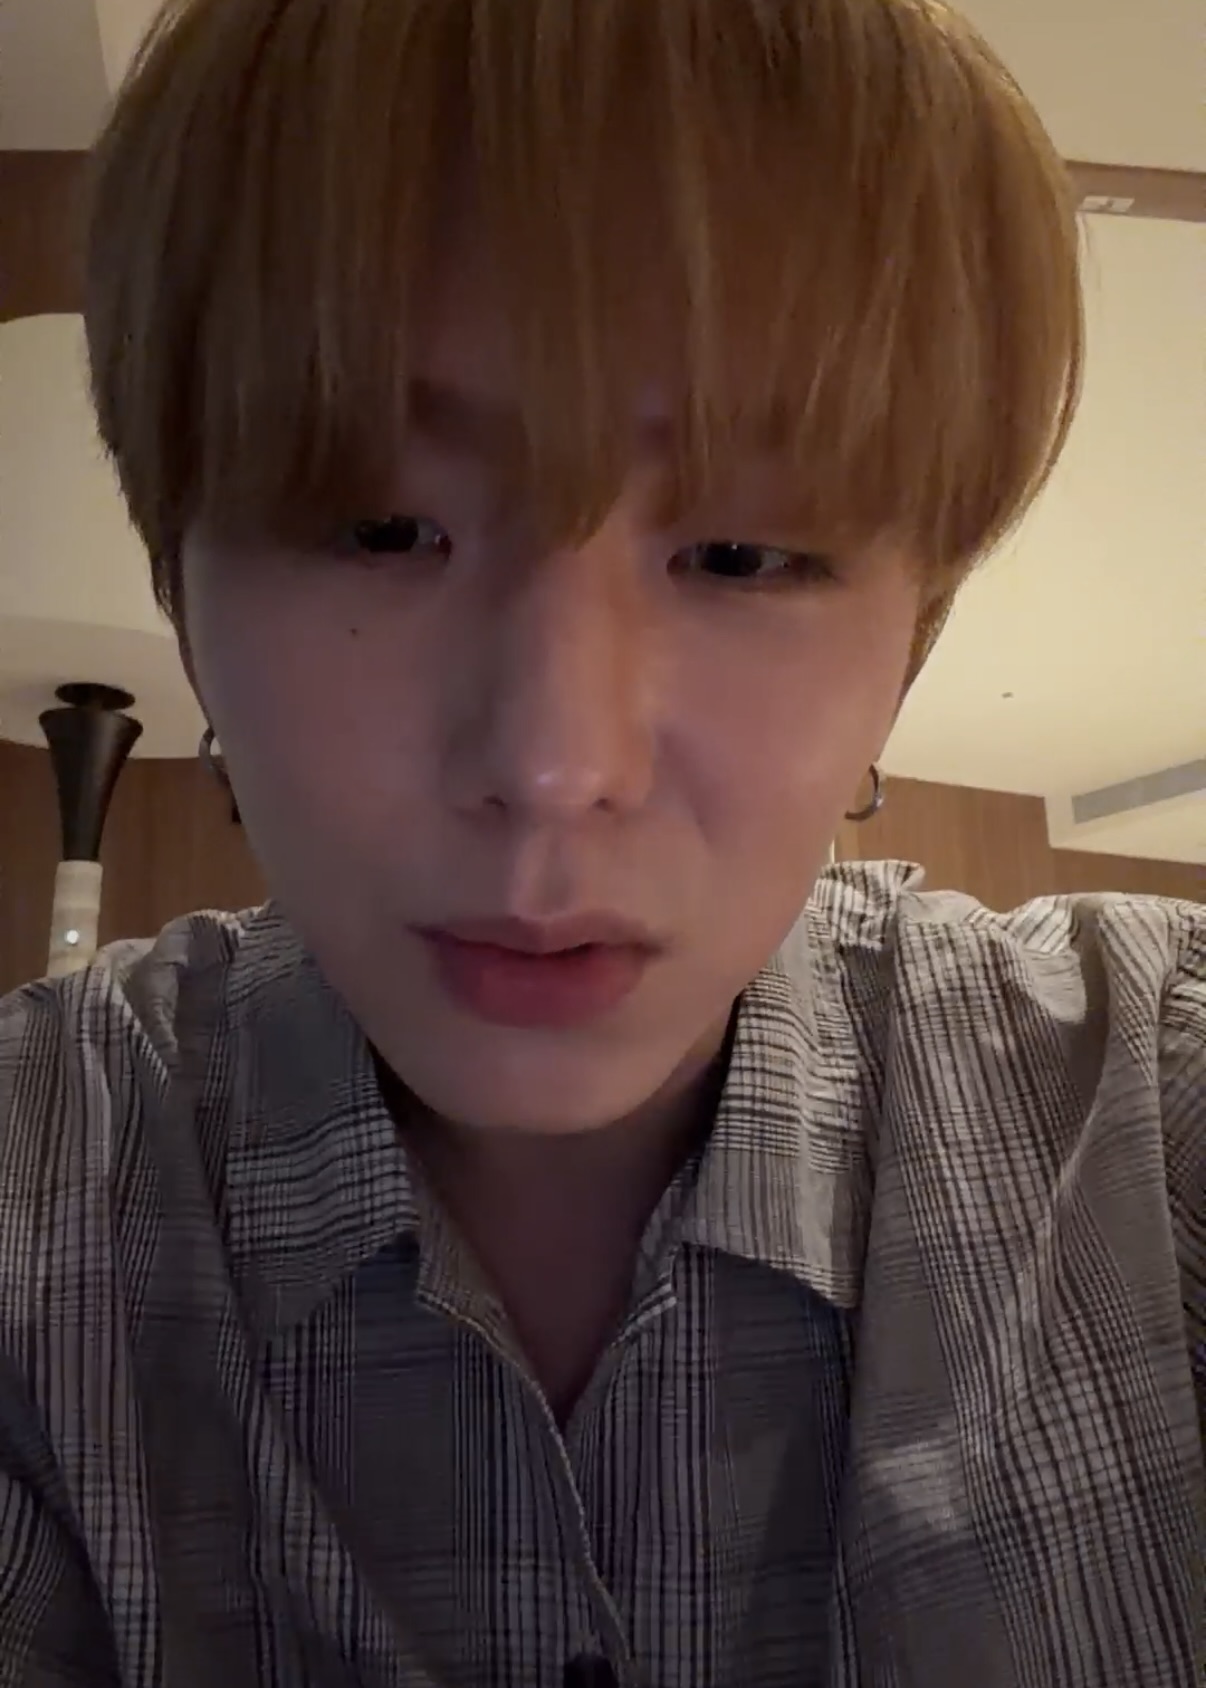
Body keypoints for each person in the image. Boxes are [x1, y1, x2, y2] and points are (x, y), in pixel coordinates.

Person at [0, 0, 1201, 1681]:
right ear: (178, 591)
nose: (556, 765)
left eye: (742, 557)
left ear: (909, 642)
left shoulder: (1147, 1101)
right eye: (378, 525)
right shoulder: (35, 1197)